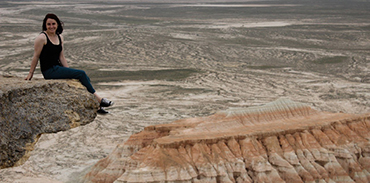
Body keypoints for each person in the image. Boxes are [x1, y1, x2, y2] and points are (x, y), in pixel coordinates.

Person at [25, 13, 113, 114]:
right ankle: (100, 100)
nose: (51, 26)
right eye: (48, 24)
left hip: (58, 68)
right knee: (81, 73)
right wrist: (30, 73)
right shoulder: (42, 38)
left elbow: (61, 57)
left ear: (57, 24)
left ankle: (97, 107)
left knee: (83, 79)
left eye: (53, 24)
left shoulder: (59, 37)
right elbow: (36, 56)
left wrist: (68, 71)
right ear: (45, 25)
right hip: (49, 71)